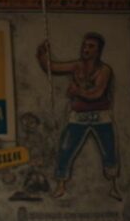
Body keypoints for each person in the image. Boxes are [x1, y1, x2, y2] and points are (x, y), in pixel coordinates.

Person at [36, 33, 121, 201]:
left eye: (91, 46)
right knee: (66, 148)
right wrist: (42, 55)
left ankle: (114, 186)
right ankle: (61, 185)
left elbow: (97, 93)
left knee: (109, 150)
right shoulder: (77, 66)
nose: (86, 49)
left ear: (98, 51)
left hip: (100, 115)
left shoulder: (104, 70)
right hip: (79, 115)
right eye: (85, 45)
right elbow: (52, 67)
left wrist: (77, 91)